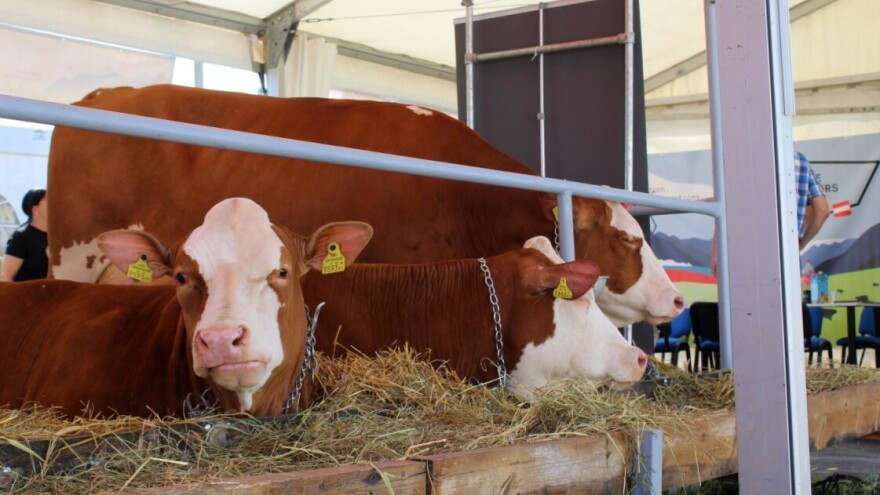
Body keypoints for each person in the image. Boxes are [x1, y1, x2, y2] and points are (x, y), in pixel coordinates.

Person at [711, 151, 829, 277]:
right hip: (787, 254)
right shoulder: (799, 160)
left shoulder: (742, 157)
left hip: (744, 253)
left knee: (745, 295)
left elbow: (729, 206)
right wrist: (800, 244)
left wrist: (715, 251)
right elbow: (823, 211)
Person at [2, 189, 49, 282]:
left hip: (49, 293)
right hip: (26, 294)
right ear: (35, 209)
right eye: (47, 200)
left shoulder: (54, 237)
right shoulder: (21, 238)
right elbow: (7, 277)